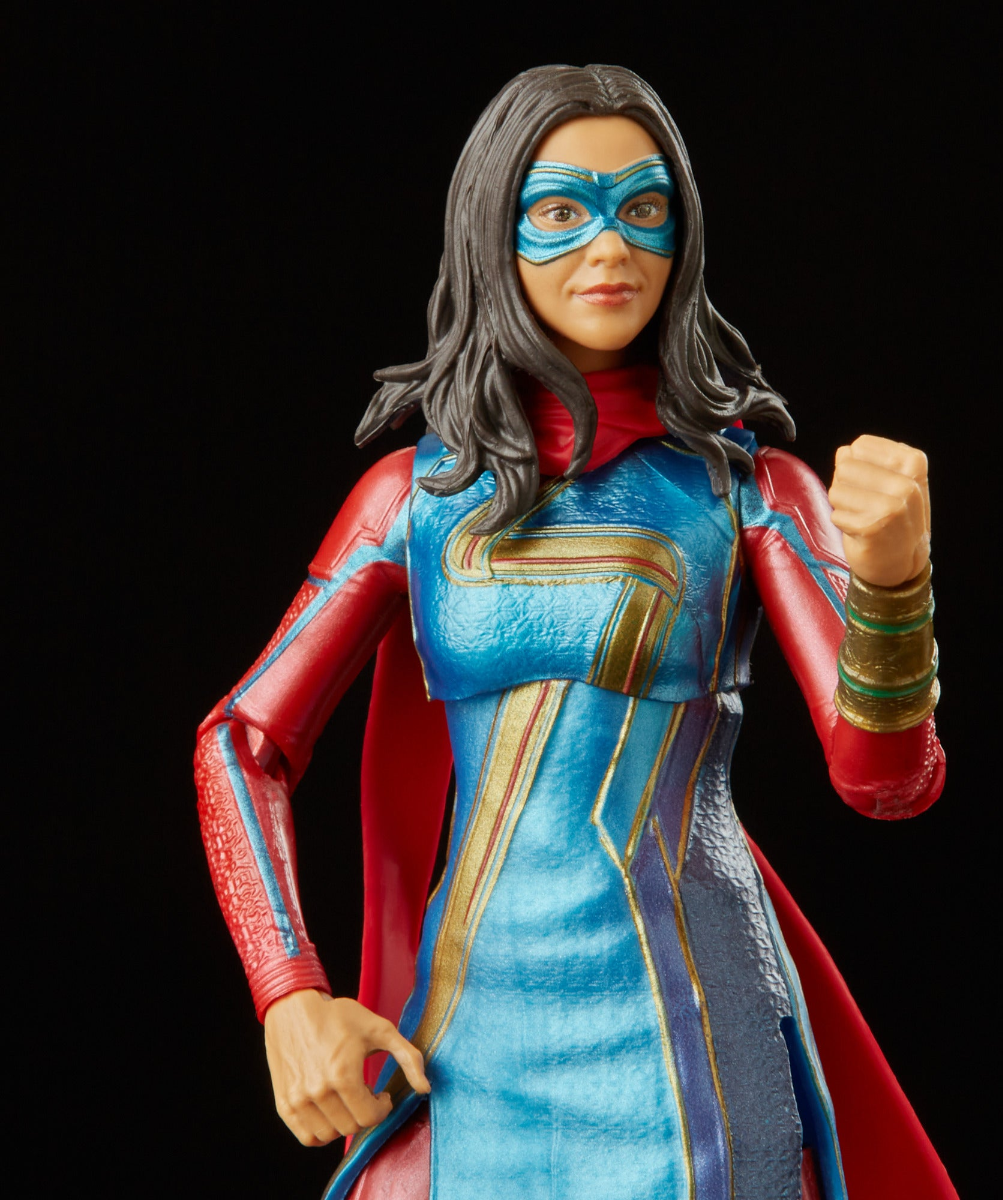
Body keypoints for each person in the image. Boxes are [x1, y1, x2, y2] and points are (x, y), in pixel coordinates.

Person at [195, 64, 953, 1200]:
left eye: (644, 208)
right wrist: (287, 991)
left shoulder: (747, 494)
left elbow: (885, 781)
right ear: (490, 230)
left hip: (695, 1037)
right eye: (561, 210)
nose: (611, 248)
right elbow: (240, 742)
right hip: (473, 1039)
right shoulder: (414, 500)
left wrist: (895, 588)